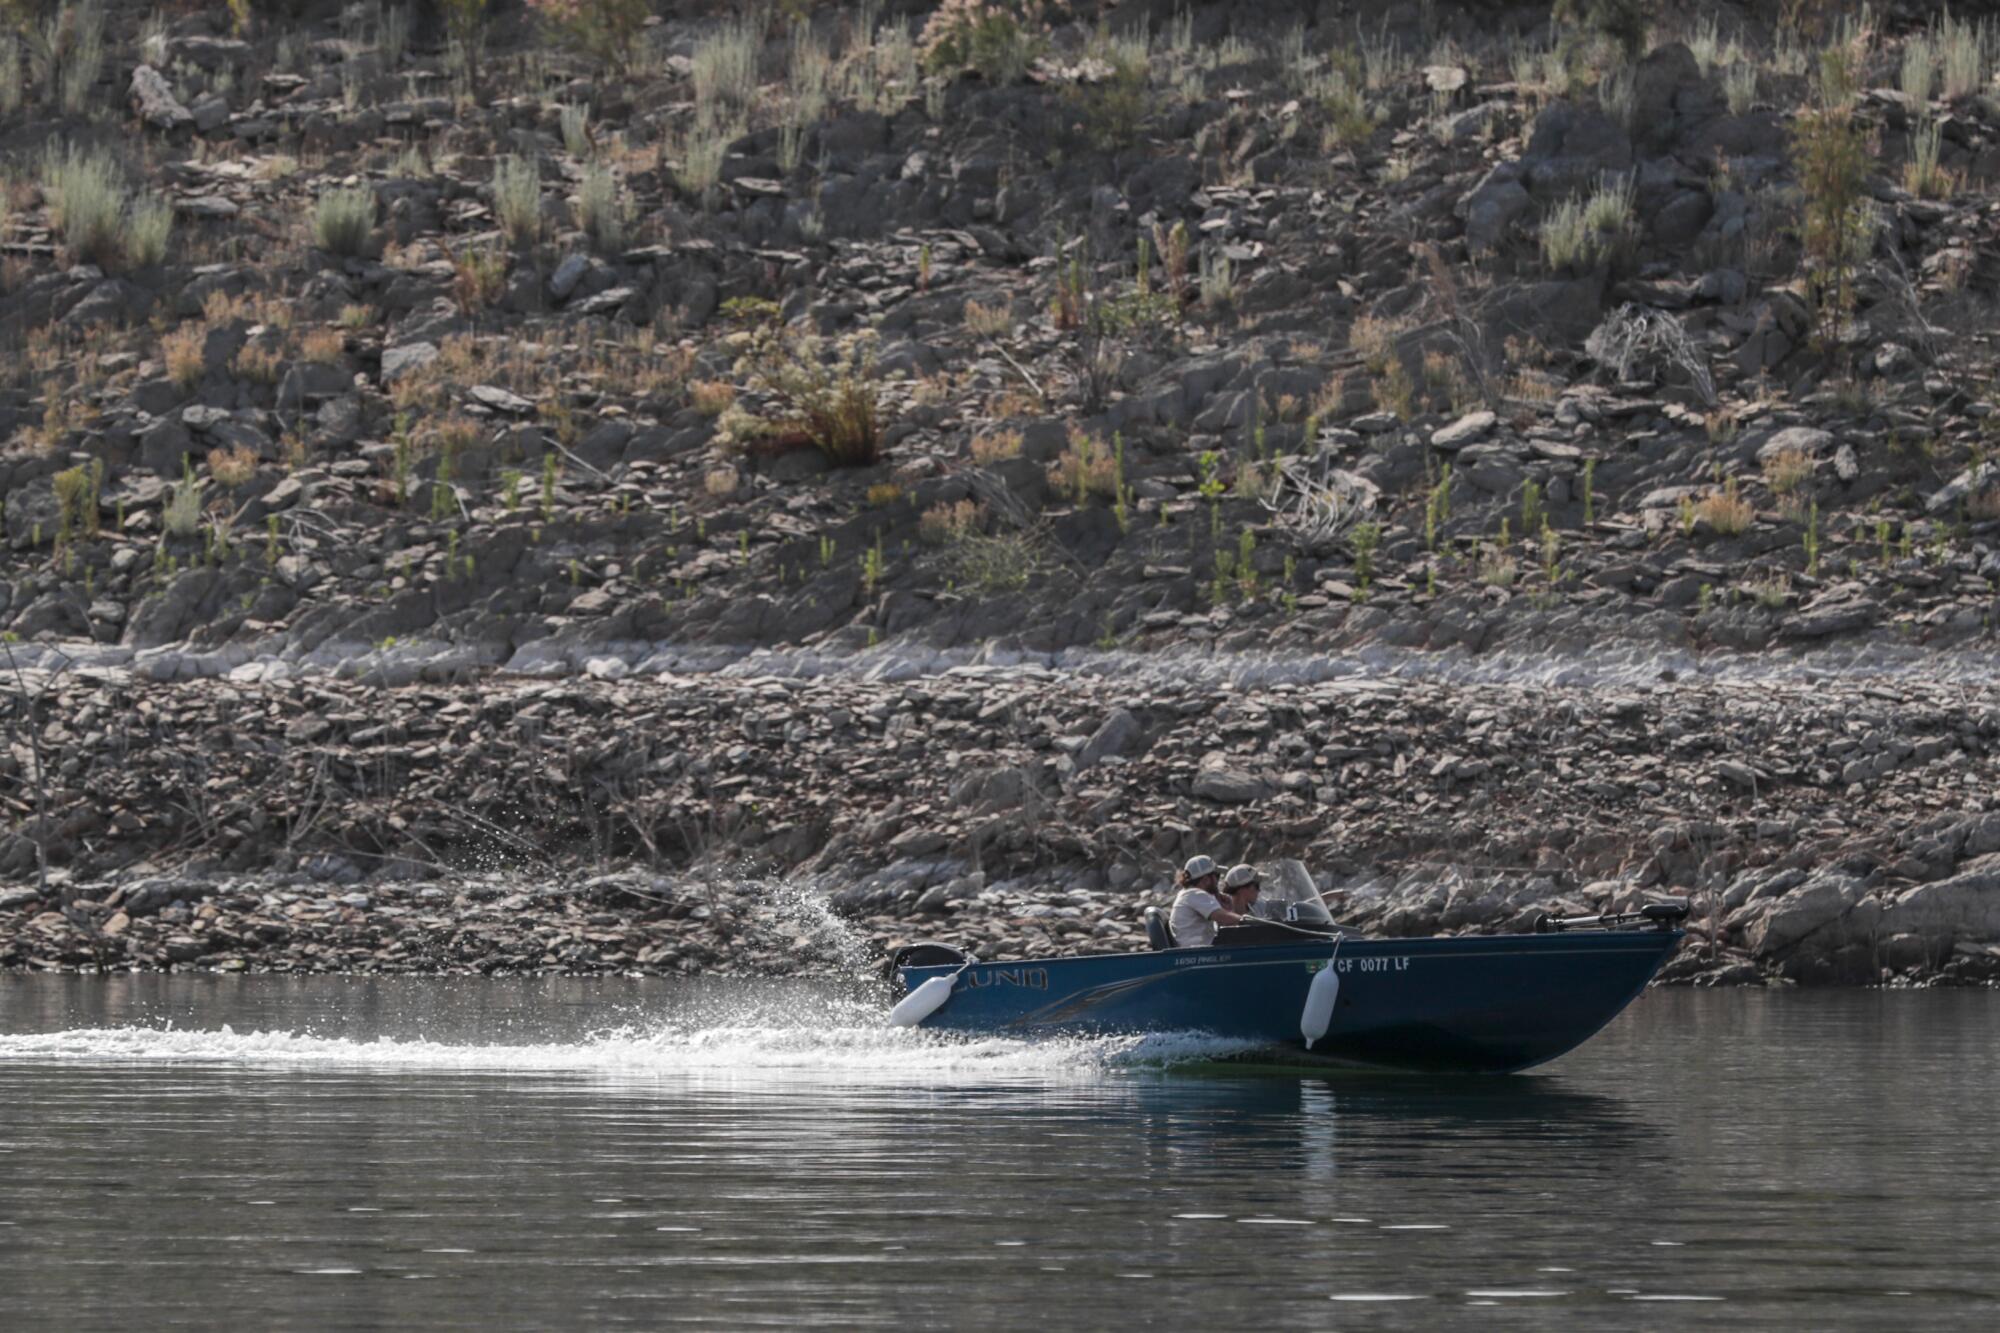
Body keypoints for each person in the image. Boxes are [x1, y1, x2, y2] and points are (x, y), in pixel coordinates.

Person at [1170, 856, 1254, 947]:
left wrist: (1227, 907)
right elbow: (1222, 917)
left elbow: (1224, 922)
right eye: (1217, 876)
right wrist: (1252, 922)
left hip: (1200, 951)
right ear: (1206, 879)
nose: (1218, 881)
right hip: (1199, 954)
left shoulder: (1189, 895)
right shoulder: (1194, 894)